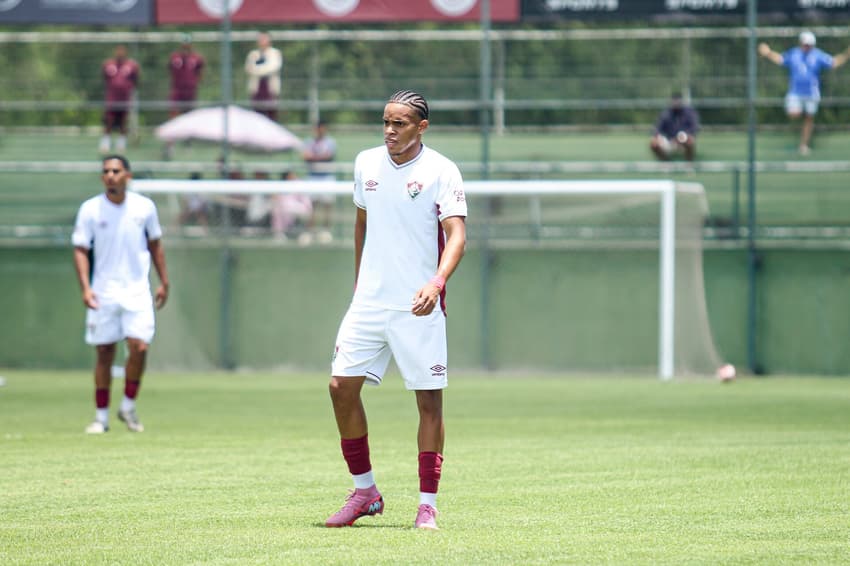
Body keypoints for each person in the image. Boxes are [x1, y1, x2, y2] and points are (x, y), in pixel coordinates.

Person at [325, 90, 467, 530]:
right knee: (339, 387)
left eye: (399, 123)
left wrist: (436, 282)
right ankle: (365, 491)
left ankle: (428, 504)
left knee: (428, 402)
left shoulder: (442, 170)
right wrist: (358, 285)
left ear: (421, 127)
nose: (390, 130)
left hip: (417, 305)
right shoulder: (365, 162)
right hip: (368, 302)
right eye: (386, 121)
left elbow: (457, 235)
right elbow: (361, 225)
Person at [72, 155, 170, 434]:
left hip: (137, 291)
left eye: (116, 170)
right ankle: (100, 417)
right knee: (104, 352)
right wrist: (86, 287)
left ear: (127, 175)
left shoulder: (144, 207)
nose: (110, 175)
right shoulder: (90, 209)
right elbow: (80, 248)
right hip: (104, 292)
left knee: (139, 348)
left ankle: (128, 405)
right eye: (106, 171)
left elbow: (155, 244)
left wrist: (164, 281)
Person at [758, 31, 850, 155]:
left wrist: (847, 54)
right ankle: (800, 121)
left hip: (811, 93)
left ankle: (803, 145)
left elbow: (833, 62)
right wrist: (768, 53)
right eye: (805, 44)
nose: (807, 47)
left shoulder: (817, 55)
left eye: (809, 44)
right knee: (794, 113)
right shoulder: (794, 53)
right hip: (795, 92)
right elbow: (780, 59)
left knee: (809, 119)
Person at [302, 120, 338, 243]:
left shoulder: (330, 142)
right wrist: (318, 158)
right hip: (312, 177)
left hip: (327, 177)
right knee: (311, 205)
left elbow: (329, 156)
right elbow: (306, 156)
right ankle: (309, 231)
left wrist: (314, 158)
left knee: (327, 205)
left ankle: (326, 231)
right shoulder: (308, 142)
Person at [100, 45, 140, 154]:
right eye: (118, 51)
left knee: (123, 121)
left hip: (125, 98)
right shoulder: (108, 64)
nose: (120, 53)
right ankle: (105, 142)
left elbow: (136, 80)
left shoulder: (132, 65)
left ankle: (121, 143)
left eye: (122, 51)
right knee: (109, 120)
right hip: (112, 98)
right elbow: (105, 78)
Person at [649, 92, 700, 162]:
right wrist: (657, 136)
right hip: (669, 141)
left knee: (689, 140)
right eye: (674, 101)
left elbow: (694, 127)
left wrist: (685, 135)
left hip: (683, 140)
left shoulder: (689, 112)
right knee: (653, 143)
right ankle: (666, 163)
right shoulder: (665, 113)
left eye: (677, 100)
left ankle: (689, 164)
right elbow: (657, 128)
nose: (676, 103)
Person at [244, 32, 282, 121]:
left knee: (271, 117)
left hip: (270, 91)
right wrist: (263, 69)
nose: (262, 41)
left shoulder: (275, 53)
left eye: (264, 39)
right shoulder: (253, 54)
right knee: (257, 118)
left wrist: (257, 69)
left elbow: (273, 67)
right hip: (257, 91)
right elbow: (249, 69)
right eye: (260, 39)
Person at [168, 33, 205, 118]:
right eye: (184, 43)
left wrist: (194, 82)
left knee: (189, 113)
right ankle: (175, 129)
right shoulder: (175, 57)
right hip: (177, 89)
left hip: (190, 90)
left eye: (187, 43)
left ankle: (188, 130)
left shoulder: (197, 58)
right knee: (174, 110)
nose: (186, 45)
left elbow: (200, 73)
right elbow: (170, 70)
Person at [271, 170, 313, 241]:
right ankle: (279, 233)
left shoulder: (299, 184)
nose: (293, 176)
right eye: (290, 175)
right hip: (283, 209)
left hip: (298, 208)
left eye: (293, 174)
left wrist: (307, 208)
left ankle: (303, 232)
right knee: (277, 210)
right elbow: (276, 197)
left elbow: (306, 200)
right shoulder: (281, 185)